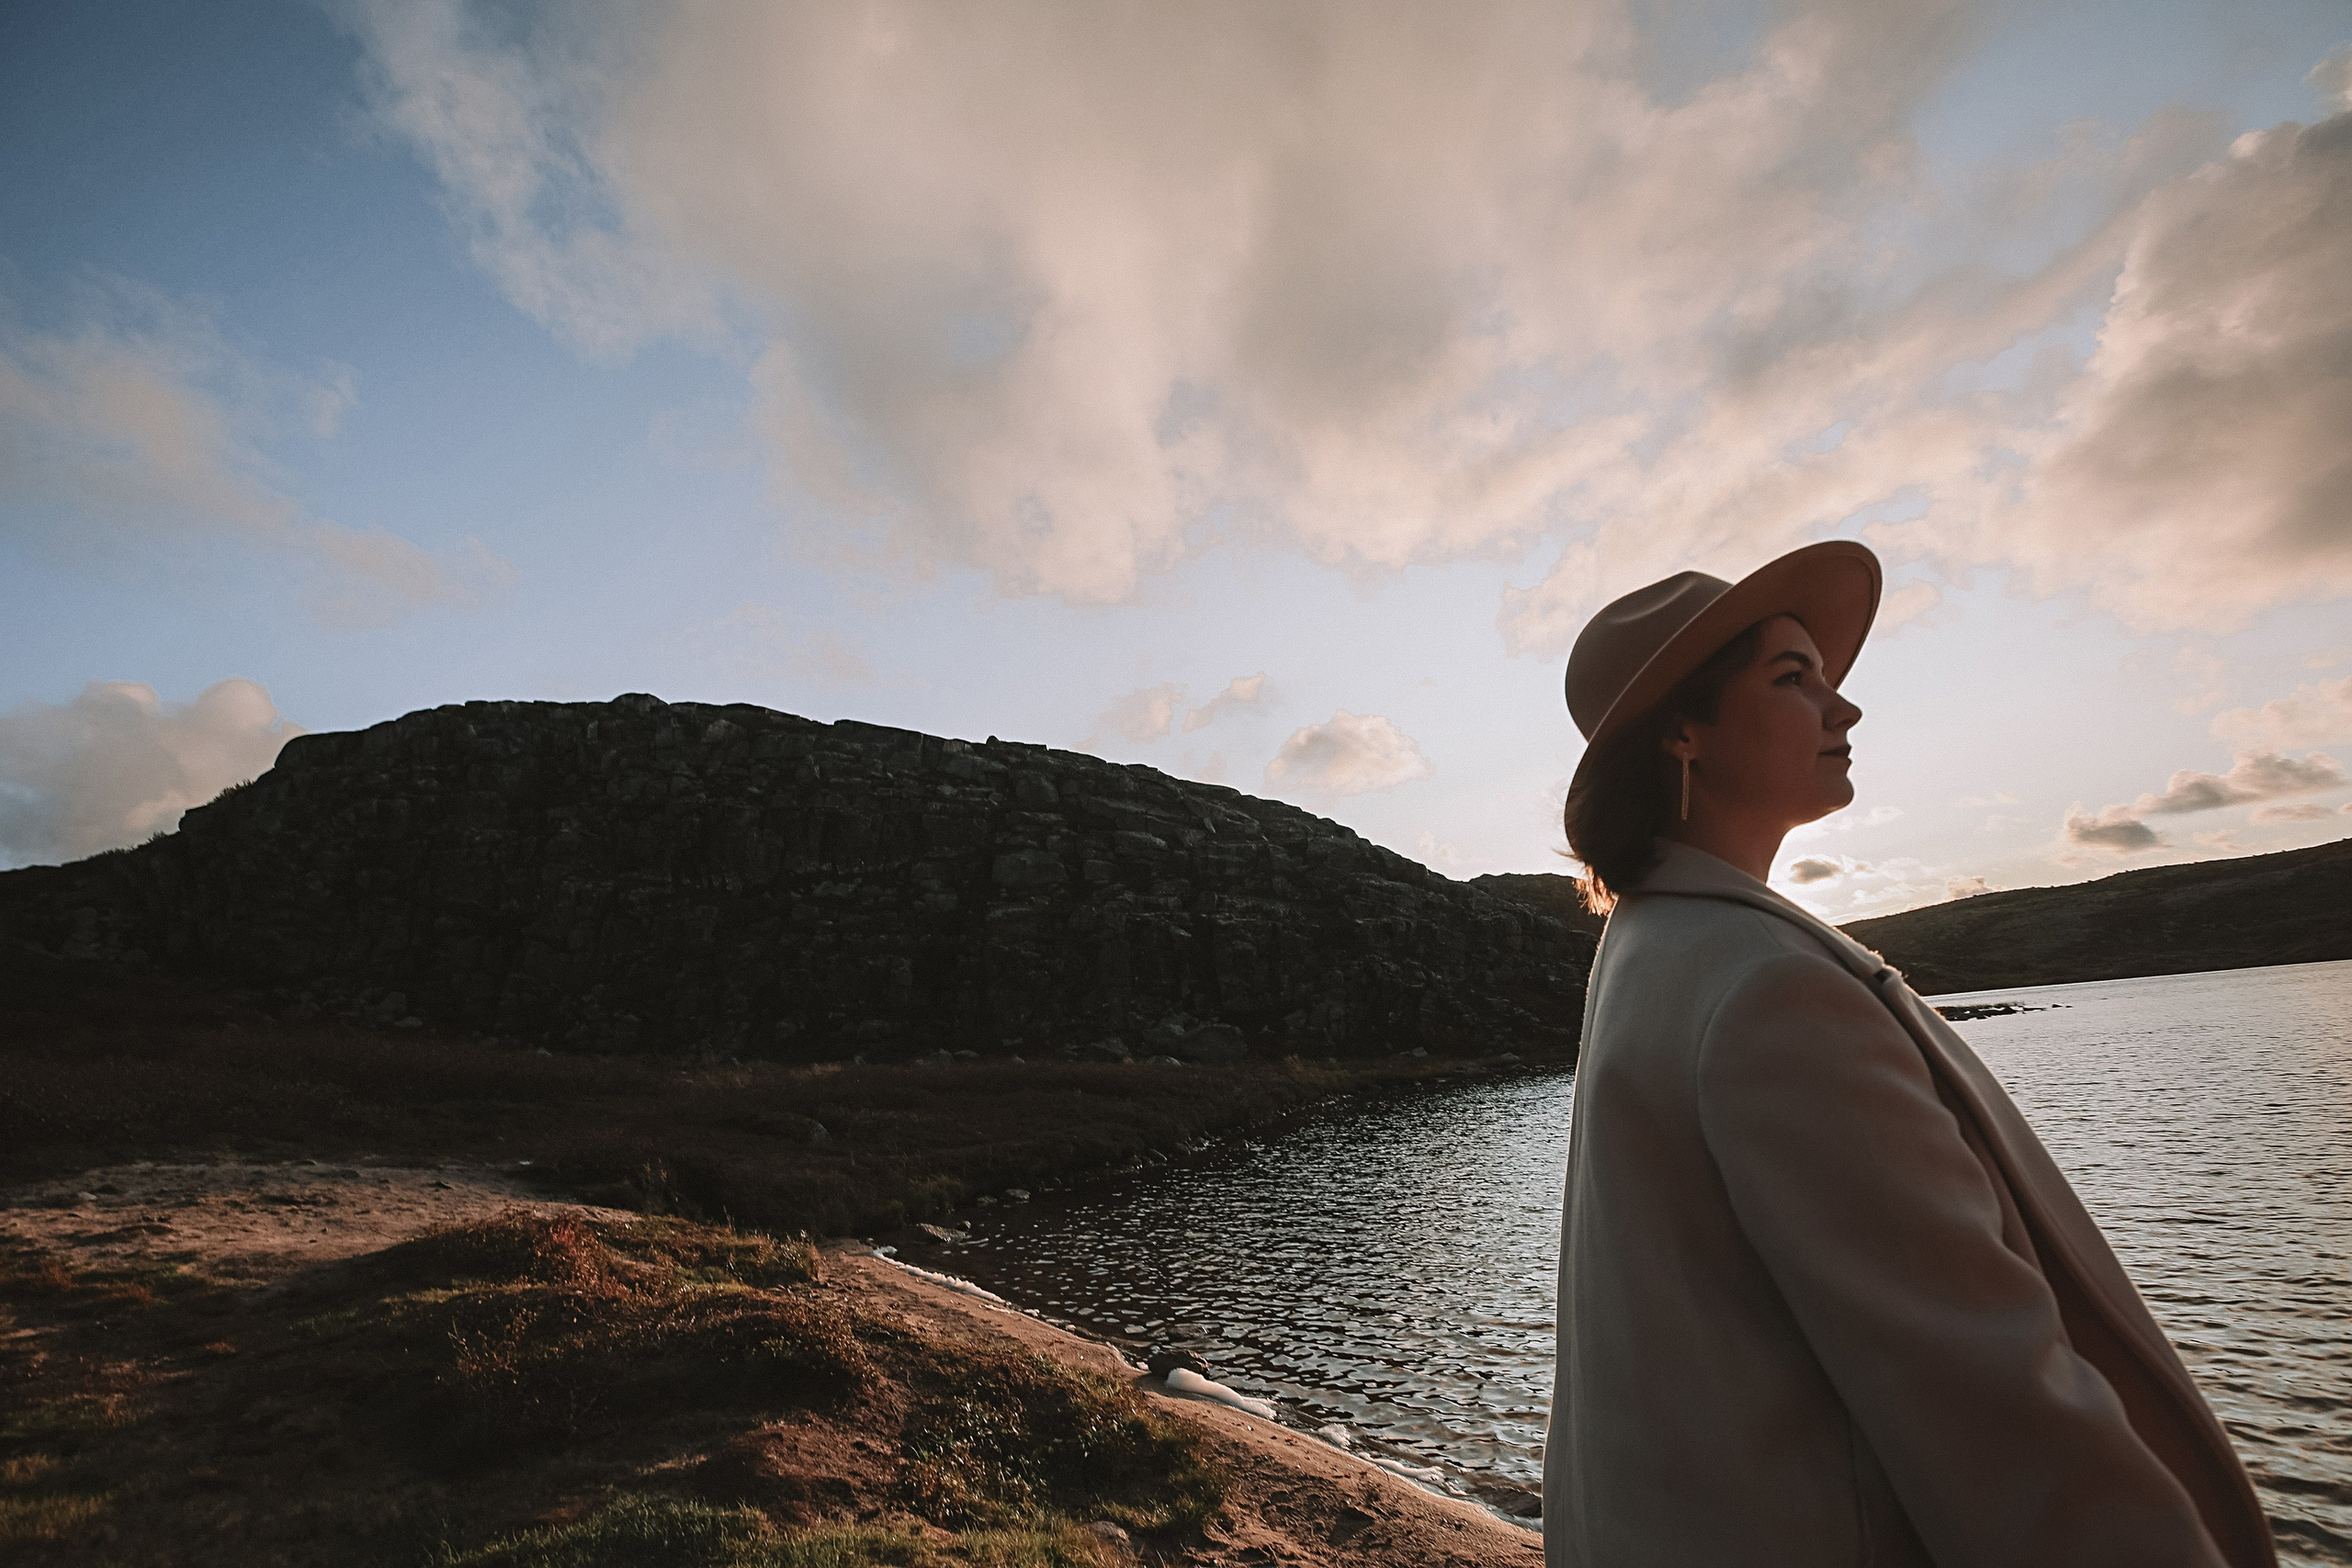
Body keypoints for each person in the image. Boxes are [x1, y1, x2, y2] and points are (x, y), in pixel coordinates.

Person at [1543, 541, 2276, 1567]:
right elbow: (1993, 1403)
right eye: (1793, 679)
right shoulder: (1768, 989)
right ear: (1682, 731)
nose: (1843, 710)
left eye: (1830, 680)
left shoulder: (1653, 948)